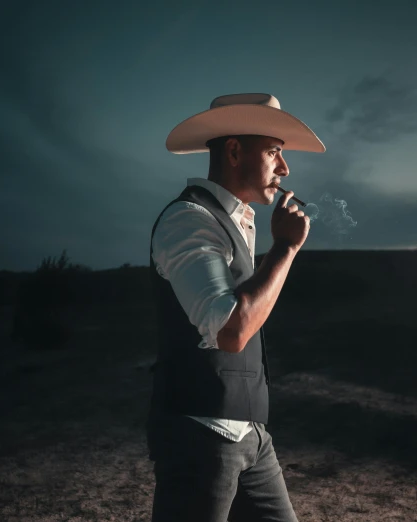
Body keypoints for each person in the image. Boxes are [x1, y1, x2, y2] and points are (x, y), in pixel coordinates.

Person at [146, 93, 325, 521]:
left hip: (250, 433)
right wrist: (285, 248)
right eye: (273, 152)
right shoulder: (189, 219)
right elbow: (230, 330)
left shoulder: (236, 219)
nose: (284, 168)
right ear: (233, 151)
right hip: (200, 433)